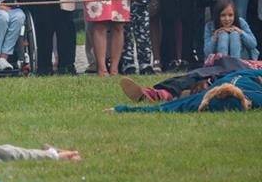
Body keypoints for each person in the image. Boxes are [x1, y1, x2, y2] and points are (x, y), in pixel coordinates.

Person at [112, 68, 262, 113]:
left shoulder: (228, 99)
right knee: (196, 75)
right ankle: (158, 93)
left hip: (222, 87)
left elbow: (176, 107)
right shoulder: (249, 73)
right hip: (221, 74)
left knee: (189, 98)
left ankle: (159, 95)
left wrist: (123, 110)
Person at [118, 56, 254, 103]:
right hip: (231, 65)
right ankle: (155, 93)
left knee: (211, 78)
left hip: (242, 73)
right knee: (196, 74)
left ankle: (161, 95)